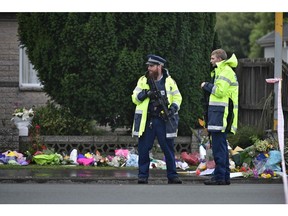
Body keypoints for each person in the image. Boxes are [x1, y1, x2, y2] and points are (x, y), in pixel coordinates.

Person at [131, 54, 182, 184]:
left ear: (160, 66)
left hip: (163, 120)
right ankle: (142, 176)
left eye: (152, 66)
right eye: (148, 65)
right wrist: (146, 94)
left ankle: (172, 176)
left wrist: (173, 108)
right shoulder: (143, 80)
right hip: (147, 120)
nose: (149, 68)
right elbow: (134, 98)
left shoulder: (169, 81)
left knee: (168, 148)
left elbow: (178, 97)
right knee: (143, 148)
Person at [200, 48, 239, 185]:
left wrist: (206, 85)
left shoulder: (225, 71)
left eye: (212, 58)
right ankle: (223, 176)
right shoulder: (222, 71)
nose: (210, 61)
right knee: (220, 147)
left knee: (219, 148)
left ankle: (220, 177)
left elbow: (220, 91)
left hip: (221, 115)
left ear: (220, 59)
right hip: (218, 114)